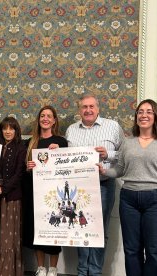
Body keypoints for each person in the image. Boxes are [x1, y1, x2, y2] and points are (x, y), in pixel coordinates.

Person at [100, 99, 157, 276]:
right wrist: (104, 171)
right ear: (136, 116)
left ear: (156, 116)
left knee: (155, 252)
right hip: (129, 199)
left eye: (149, 112)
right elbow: (120, 170)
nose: (143, 115)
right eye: (140, 112)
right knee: (131, 250)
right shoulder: (128, 143)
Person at [65, 94, 123, 276]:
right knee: (80, 229)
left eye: (91, 107)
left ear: (98, 108)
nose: (88, 110)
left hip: (104, 185)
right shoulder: (71, 130)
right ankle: (82, 271)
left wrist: (109, 155)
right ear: (79, 110)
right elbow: (64, 158)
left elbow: (126, 154)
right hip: (79, 188)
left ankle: (95, 272)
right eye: (84, 107)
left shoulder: (112, 126)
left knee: (100, 231)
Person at [23, 106, 68, 276]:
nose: (45, 119)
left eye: (49, 116)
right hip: (34, 194)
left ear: (54, 120)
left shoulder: (61, 142)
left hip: (54, 195)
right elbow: (23, 171)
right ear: (39, 119)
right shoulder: (31, 142)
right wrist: (28, 167)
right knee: (37, 230)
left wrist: (60, 153)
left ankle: (53, 269)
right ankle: (41, 267)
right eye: (42, 116)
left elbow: (67, 169)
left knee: (54, 228)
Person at [0, 117, 26, 276]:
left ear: (16, 131)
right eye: (5, 128)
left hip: (11, 198)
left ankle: (7, 271)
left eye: (11, 128)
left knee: (8, 236)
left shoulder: (21, 148)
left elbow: (19, 174)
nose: (8, 131)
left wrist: (3, 188)